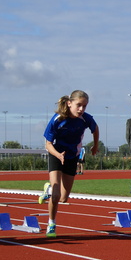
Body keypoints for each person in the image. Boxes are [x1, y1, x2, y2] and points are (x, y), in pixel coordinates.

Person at [39, 90, 99, 237]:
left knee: (64, 198)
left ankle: (48, 190)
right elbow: (47, 144)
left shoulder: (85, 119)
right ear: (69, 103)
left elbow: (95, 129)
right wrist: (58, 155)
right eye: (79, 105)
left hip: (72, 157)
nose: (81, 109)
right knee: (56, 194)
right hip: (56, 154)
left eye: (84, 106)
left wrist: (95, 145)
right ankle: (51, 223)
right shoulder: (58, 119)